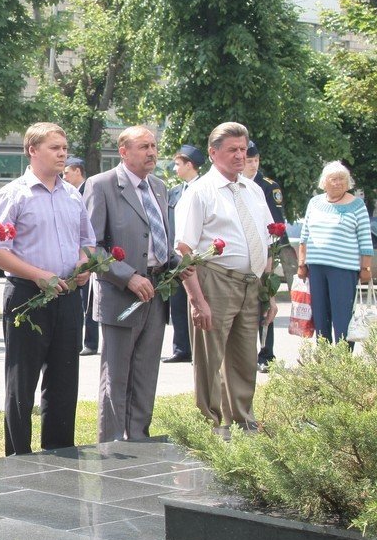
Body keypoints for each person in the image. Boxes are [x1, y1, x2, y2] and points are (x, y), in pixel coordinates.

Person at [0, 123, 95, 456]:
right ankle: (19, 454)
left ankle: (60, 450)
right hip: (27, 296)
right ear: (32, 150)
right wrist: (37, 275)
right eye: (54, 147)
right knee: (22, 381)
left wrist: (82, 266)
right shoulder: (13, 194)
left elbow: (88, 242)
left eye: (64, 147)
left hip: (66, 295)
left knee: (64, 380)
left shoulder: (72, 195)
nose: (63, 153)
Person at [175, 122, 276, 435]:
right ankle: (211, 424)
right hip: (214, 280)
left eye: (243, 150)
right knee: (209, 358)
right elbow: (184, 250)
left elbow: (268, 240)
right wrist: (196, 299)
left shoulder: (254, 190)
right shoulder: (199, 193)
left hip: (250, 283)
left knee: (245, 357)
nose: (240, 156)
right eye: (232, 149)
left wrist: (269, 293)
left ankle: (243, 420)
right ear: (213, 152)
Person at [83, 127, 172, 442]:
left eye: (154, 146)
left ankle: (138, 438)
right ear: (123, 151)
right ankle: (112, 445)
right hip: (120, 296)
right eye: (144, 146)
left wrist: (177, 265)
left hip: (157, 295)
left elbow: (161, 240)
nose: (151, 152)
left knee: (146, 373)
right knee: (116, 377)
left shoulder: (159, 187)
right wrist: (128, 276)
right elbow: (90, 247)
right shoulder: (102, 185)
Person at [297, 161, 373, 345]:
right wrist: (301, 264)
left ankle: (342, 362)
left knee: (342, 317)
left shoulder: (357, 205)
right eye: (334, 179)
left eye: (342, 179)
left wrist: (366, 268)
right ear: (324, 182)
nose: (338, 183)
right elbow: (304, 235)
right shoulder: (314, 203)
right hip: (316, 268)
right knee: (320, 315)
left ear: (348, 183)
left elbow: (365, 239)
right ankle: (324, 357)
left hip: (343, 269)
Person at [244, 141, 291, 371]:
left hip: (266, 252)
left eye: (256, 160)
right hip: (244, 253)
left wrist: (272, 257)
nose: (253, 165)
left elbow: (276, 225)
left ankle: (266, 353)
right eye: (249, 161)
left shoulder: (267, 186)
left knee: (265, 301)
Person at [163, 145, 205, 363]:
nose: (175, 168)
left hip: (196, 255)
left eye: (178, 164)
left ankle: (197, 348)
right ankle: (181, 348)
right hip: (175, 255)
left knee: (196, 302)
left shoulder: (204, 189)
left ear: (190, 165)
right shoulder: (175, 192)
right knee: (177, 302)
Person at [63, 157, 97, 357]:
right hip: (76, 258)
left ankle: (91, 342)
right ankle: (85, 340)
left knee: (89, 303)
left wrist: (88, 260)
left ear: (77, 171)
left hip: (86, 257)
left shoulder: (87, 191)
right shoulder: (69, 193)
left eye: (67, 172)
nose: (64, 176)